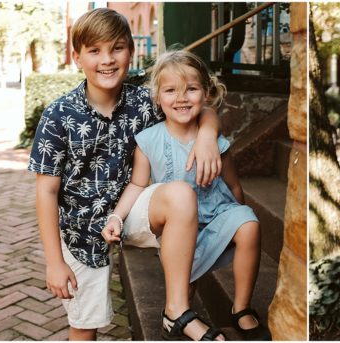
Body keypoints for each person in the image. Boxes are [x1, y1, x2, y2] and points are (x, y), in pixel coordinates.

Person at [28, 8, 223, 341]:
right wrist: (53, 262)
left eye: (117, 48)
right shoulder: (58, 115)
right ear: (77, 57)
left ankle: (176, 309)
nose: (107, 59)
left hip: (131, 209)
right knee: (85, 325)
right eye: (95, 51)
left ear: (131, 52)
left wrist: (207, 136)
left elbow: (198, 107)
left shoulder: (144, 102)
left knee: (180, 194)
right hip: (81, 230)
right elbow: (45, 193)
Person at [101, 50, 270, 341]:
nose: (181, 98)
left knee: (250, 224)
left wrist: (240, 218)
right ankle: (178, 310)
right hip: (180, 224)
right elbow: (137, 185)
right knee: (184, 276)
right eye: (170, 90)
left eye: (191, 89)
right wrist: (117, 215)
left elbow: (233, 186)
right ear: (157, 97)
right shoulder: (149, 140)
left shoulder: (214, 141)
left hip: (216, 211)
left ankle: (240, 308)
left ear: (205, 93)